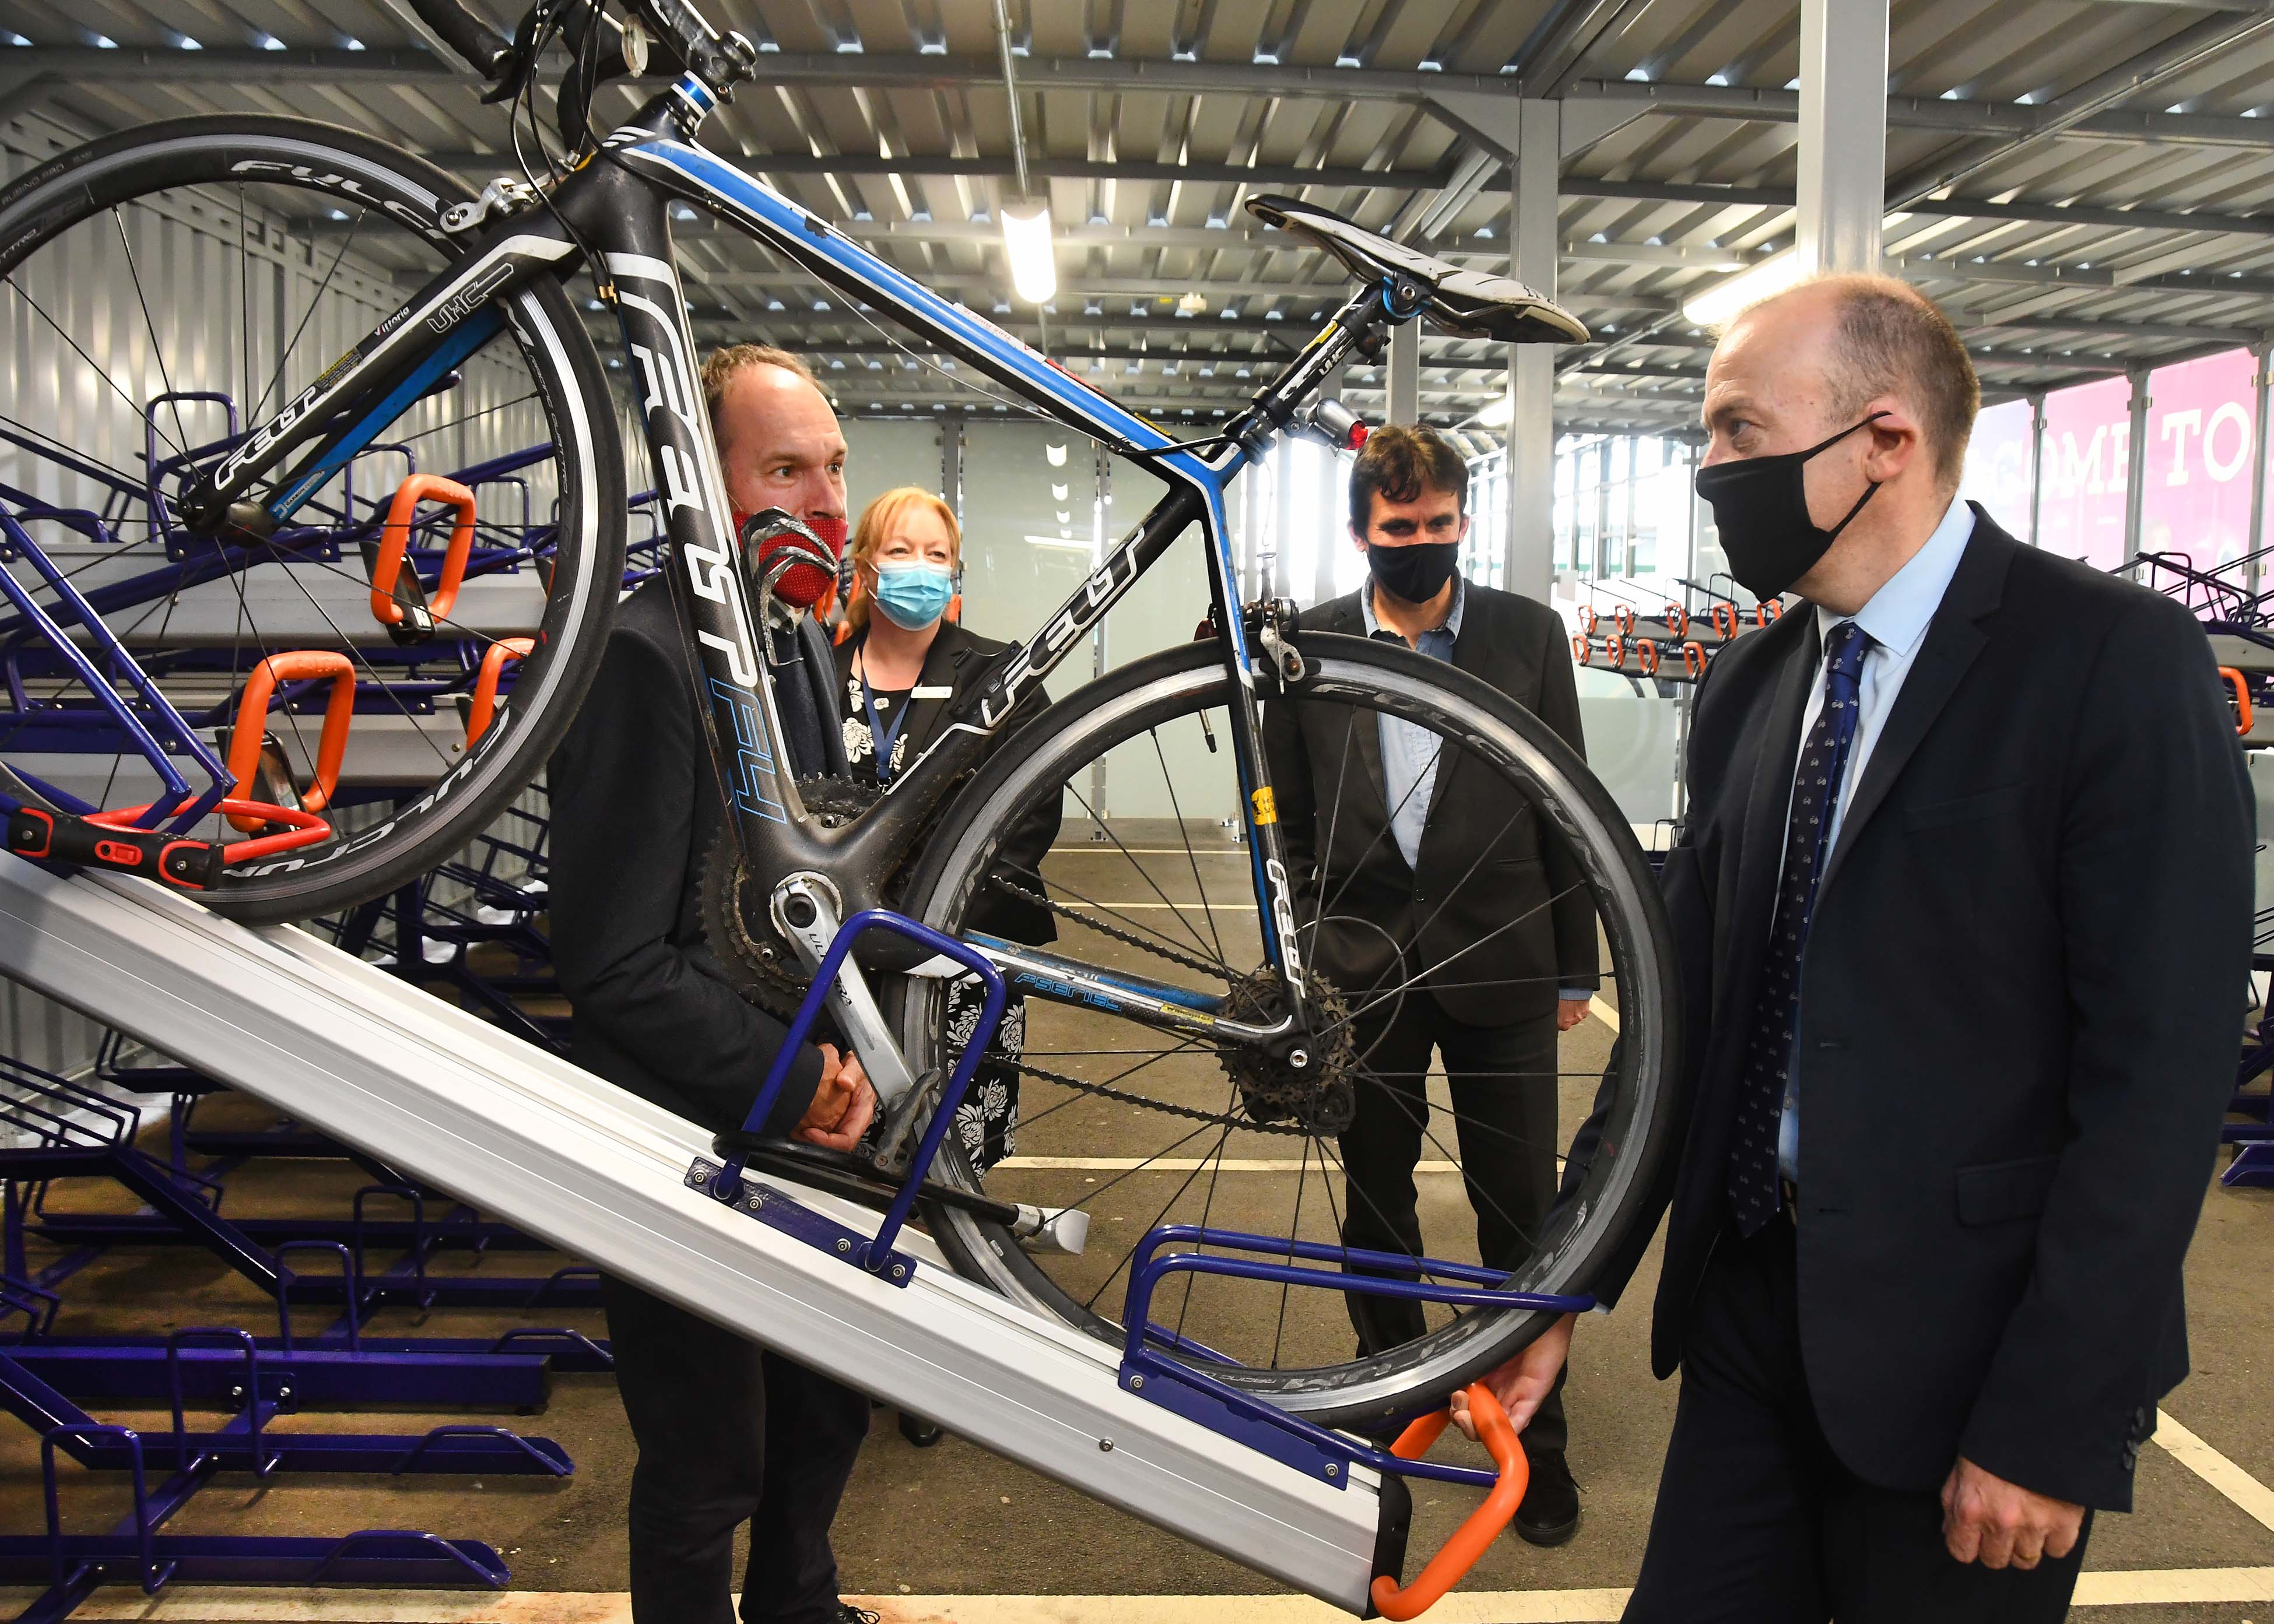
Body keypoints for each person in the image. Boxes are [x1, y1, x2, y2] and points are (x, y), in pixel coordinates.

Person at [1456, 275, 2253, 1621]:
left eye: (1737, 431)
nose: (1711, 471)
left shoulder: (2112, 660)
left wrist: (2052, 1420)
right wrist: (1561, 1289)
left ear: (1883, 438)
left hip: (1970, 1364)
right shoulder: (1755, 687)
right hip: (1752, 1324)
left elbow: (2161, 1084)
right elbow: (1682, 1022)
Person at [549, 343, 882, 1624]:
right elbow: (614, 961)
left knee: (825, 1400)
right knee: (706, 1459)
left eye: (834, 468)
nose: (826, 503)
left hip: (805, 1110)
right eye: (785, 468)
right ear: (705, 483)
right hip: (681, 1123)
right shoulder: (645, 656)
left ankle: (799, 1611)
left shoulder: (794, 641)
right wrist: (791, 1078)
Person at [1261, 423, 1600, 1546]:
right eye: (1401, 529)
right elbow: (1288, 818)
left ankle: (1532, 1445)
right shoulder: (1307, 646)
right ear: (1362, 531)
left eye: (1441, 526)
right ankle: (1390, 1411)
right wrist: (1310, 941)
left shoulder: (1525, 634)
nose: (1423, 545)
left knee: (1522, 1216)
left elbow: (1568, 803)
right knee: (1376, 1207)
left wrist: (1578, 963)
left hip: (1505, 960)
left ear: (1465, 521)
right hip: (1364, 972)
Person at [830, 484, 1061, 1446]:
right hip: (840, 968)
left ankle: (937, 1366)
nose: (917, 569)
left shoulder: (995, 676)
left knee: (953, 1163)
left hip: (961, 962)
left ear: (954, 571)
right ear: (865, 565)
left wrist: (935, 899)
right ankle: (851, 1344)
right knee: (851, 1155)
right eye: (900, 549)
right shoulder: (817, 672)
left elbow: (1032, 807)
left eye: (935, 553)